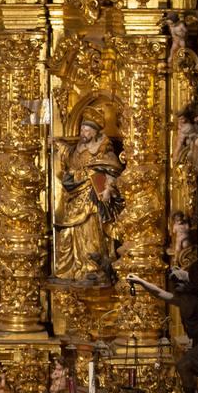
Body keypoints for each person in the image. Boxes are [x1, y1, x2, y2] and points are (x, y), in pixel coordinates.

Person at [52, 112, 124, 283]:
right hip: (74, 196)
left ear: (94, 132)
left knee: (90, 232)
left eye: (86, 130)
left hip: (92, 198)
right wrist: (59, 147)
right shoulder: (77, 149)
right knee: (68, 232)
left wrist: (107, 189)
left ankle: (93, 269)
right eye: (82, 129)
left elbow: (113, 171)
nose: (83, 133)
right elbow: (69, 158)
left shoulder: (103, 151)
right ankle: (70, 269)